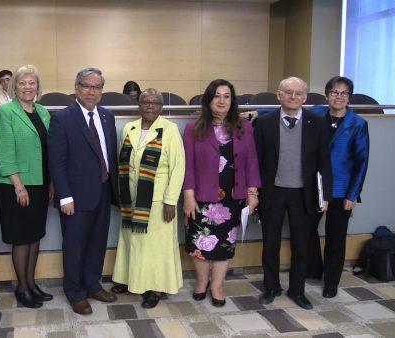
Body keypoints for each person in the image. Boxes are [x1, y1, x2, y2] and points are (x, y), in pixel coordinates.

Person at [254, 76, 332, 310]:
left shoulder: (317, 123)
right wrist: (254, 191)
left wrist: (324, 195)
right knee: (270, 244)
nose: (293, 97)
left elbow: (325, 163)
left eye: (299, 93)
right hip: (273, 192)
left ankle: (297, 290)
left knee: (301, 246)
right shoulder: (265, 123)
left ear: (305, 98)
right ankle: (271, 287)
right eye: (288, 92)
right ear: (279, 95)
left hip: (304, 194)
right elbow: (256, 161)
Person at [182, 79, 261, 307]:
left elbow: (252, 162)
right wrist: (188, 196)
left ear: (232, 101)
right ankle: (202, 282)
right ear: (208, 99)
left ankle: (217, 285)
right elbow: (188, 166)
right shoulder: (193, 128)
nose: (222, 100)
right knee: (199, 243)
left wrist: (252, 192)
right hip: (201, 198)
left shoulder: (244, 127)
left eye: (227, 96)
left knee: (224, 245)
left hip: (232, 197)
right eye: (217, 95)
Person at [48, 67, 119, 315]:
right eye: (87, 86)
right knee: (75, 245)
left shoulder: (107, 117)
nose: (92, 91)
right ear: (77, 87)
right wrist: (64, 196)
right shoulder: (62, 118)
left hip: (102, 192)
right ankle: (75, 291)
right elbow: (57, 162)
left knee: (97, 243)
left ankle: (92, 284)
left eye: (97, 87)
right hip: (75, 197)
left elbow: (110, 156)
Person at [111, 88, 185, 309]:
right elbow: (121, 163)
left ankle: (155, 287)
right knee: (130, 241)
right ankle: (129, 279)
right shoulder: (128, 128)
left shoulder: (170, 130)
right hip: (131, 199)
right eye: (146, 102)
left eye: (155, 102)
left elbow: (178, 168)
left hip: (158, 200)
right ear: (139, 105)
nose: (150, 106)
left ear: (161, 107)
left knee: (156, 246)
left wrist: (171, 200)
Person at [305, 76, 370, 298]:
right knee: (305, 230)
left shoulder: (358, 124)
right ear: (327, 95)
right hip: (316, 186)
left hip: (342, 190)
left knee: (336, 238)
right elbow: (290, 108)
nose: (339, 97)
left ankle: (331, 282)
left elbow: (362, 162)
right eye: (334, 92)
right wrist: (258, 113)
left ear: (349, 97)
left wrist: (353, 195)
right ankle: (314, 270)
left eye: (344, 93)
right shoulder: (316, 114)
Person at [0, 65, 53, 308]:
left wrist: (50, 183)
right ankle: (22, 288)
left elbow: (48, 150)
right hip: (15, 185)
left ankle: (31, 283)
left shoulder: (43, 111)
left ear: (38, 87)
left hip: (39, 184)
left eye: (32, 83)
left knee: (35, 235)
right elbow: (5, 154)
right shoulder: (5, 112)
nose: (27, 87)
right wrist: (19, 186)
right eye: (22, 83)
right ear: (14, 86)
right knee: (21, 238)